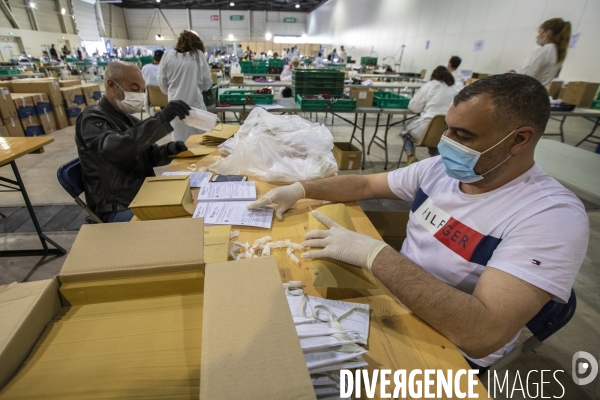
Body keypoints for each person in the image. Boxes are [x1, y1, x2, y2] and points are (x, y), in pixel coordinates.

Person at [248, 73, 589, 372]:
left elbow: (482, 333)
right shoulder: (438, 169)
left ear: (519, 139)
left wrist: (375, 255)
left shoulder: (550, 217)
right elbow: (367, 184)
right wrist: (300, 188)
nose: (446, 143)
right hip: (397, 293)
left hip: (448, 339)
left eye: (464, 135)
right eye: (447, 128)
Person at [75, 61, 191, 223]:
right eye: (134, 89)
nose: (139, 95)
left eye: (142, 90)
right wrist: (161, 120)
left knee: (192, 200)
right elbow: (117, 149)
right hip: (117, 206)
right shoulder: (92, 119)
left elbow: (149, 155)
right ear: (111, 85)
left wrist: (171, 149)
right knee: (182, 221)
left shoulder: (127, 119)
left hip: (142, 194)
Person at [158, 30, 213, 142]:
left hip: (175, 110)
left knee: (179, 143)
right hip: (196, 108)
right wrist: (195, 88)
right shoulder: (198, 55)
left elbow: (162, 84)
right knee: (199, 143)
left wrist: (173, 91)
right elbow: (207, 83)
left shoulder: (167, 56)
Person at [401, 66, 460, 164]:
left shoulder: (431, 85)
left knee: (405, 131)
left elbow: (414, 107)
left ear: (433, 75)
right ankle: (434, 159)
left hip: (426, 126)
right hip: (448, 132)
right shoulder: (456, 88)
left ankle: (410, 157)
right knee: (435, 136)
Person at [516, 18, 571, 87]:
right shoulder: (557, 54)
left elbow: (524, 78)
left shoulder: (542, 52)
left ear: (547, 33)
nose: (537, 36)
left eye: (539, 31)